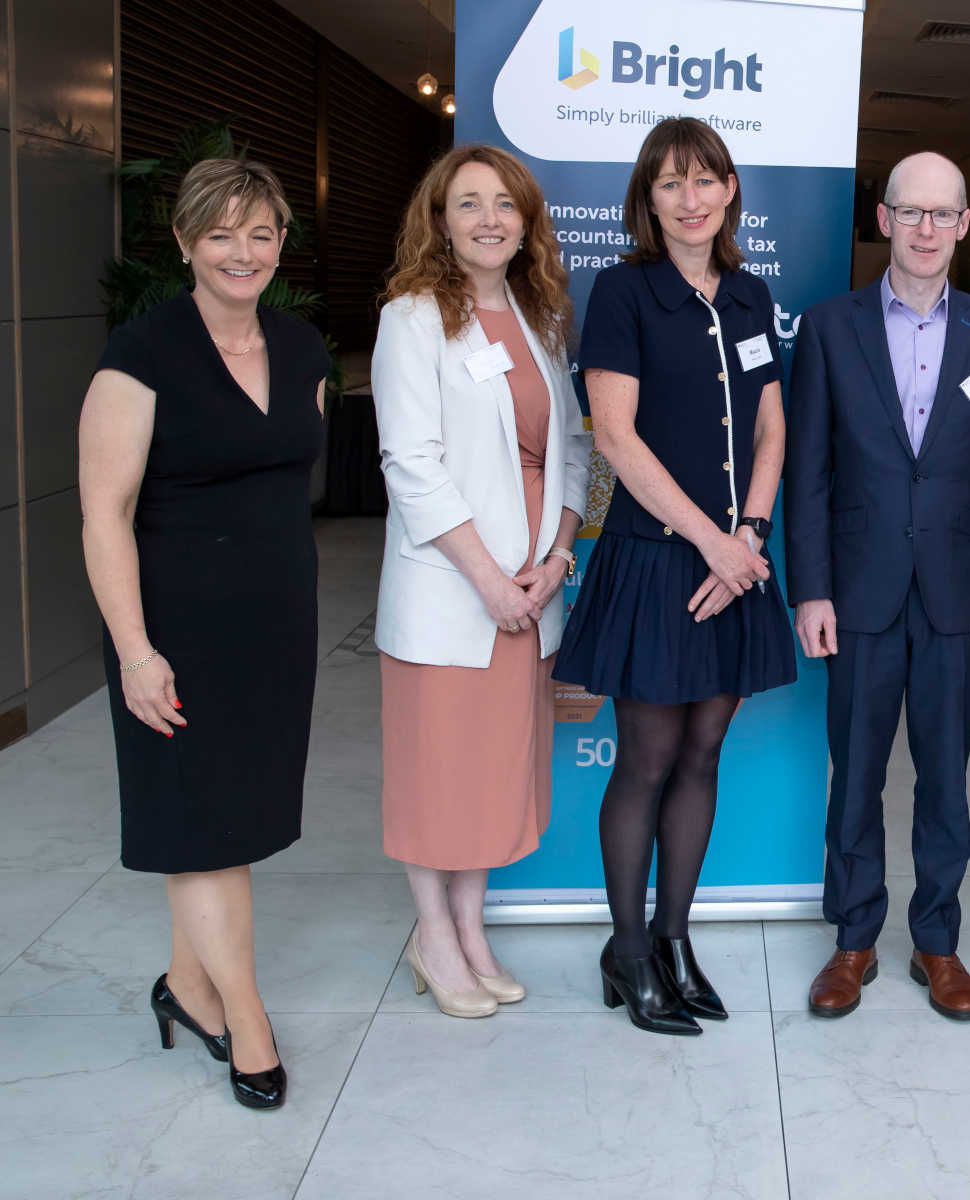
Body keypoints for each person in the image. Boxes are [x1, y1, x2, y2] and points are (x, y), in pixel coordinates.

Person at [78, 158, 332, 1109]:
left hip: (274, 626)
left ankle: (185, 987)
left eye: (261, 233)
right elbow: (104, 515)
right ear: (185, 242)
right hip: (173, 630)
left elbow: (290, 481)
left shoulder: (302, 347)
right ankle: (245, 1024)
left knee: (229, 819)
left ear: (280, 245)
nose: (243, 252)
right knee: (201, 828)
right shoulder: (140, 353)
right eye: (221, 233)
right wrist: (136, 652)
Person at [555, 117, 796, 1037]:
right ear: (647, 201)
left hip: (736, 559)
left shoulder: (751, 294)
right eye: (669, 184)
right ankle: (627, 950)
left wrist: (751, 534)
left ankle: (674, 939)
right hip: (658, 560)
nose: (690, 199)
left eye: (704, 181)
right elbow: (615, 438)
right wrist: (714, 545)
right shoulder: (624, 291)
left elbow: (771, 427)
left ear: (730, 190)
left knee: (704, 754)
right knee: (648, 759)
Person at [785, 152, 970, 1022]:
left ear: (965, 224)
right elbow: (808, 471)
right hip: (857, 593)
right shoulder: (828, 327)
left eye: (943, 214)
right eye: (911, 212)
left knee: (946, 782)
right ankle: (854, 939)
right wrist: (811, 589)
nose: (927, 230)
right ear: (884, 220)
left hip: (959, 594)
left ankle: (937, 941)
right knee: (855, 776)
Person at [371, 144, 588, 1020]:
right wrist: (492, 582)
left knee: (490, 775)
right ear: (441, 220)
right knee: (436, 776)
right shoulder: (413, 317)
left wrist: (557, 559)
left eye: (505, 203)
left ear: (527, 222)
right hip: (453, 596)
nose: (489, 218)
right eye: (468, 203)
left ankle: (469, 928)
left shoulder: (542, 321)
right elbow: (410, 464)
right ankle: (432, 936)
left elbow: (573, 453)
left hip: (531, 595)